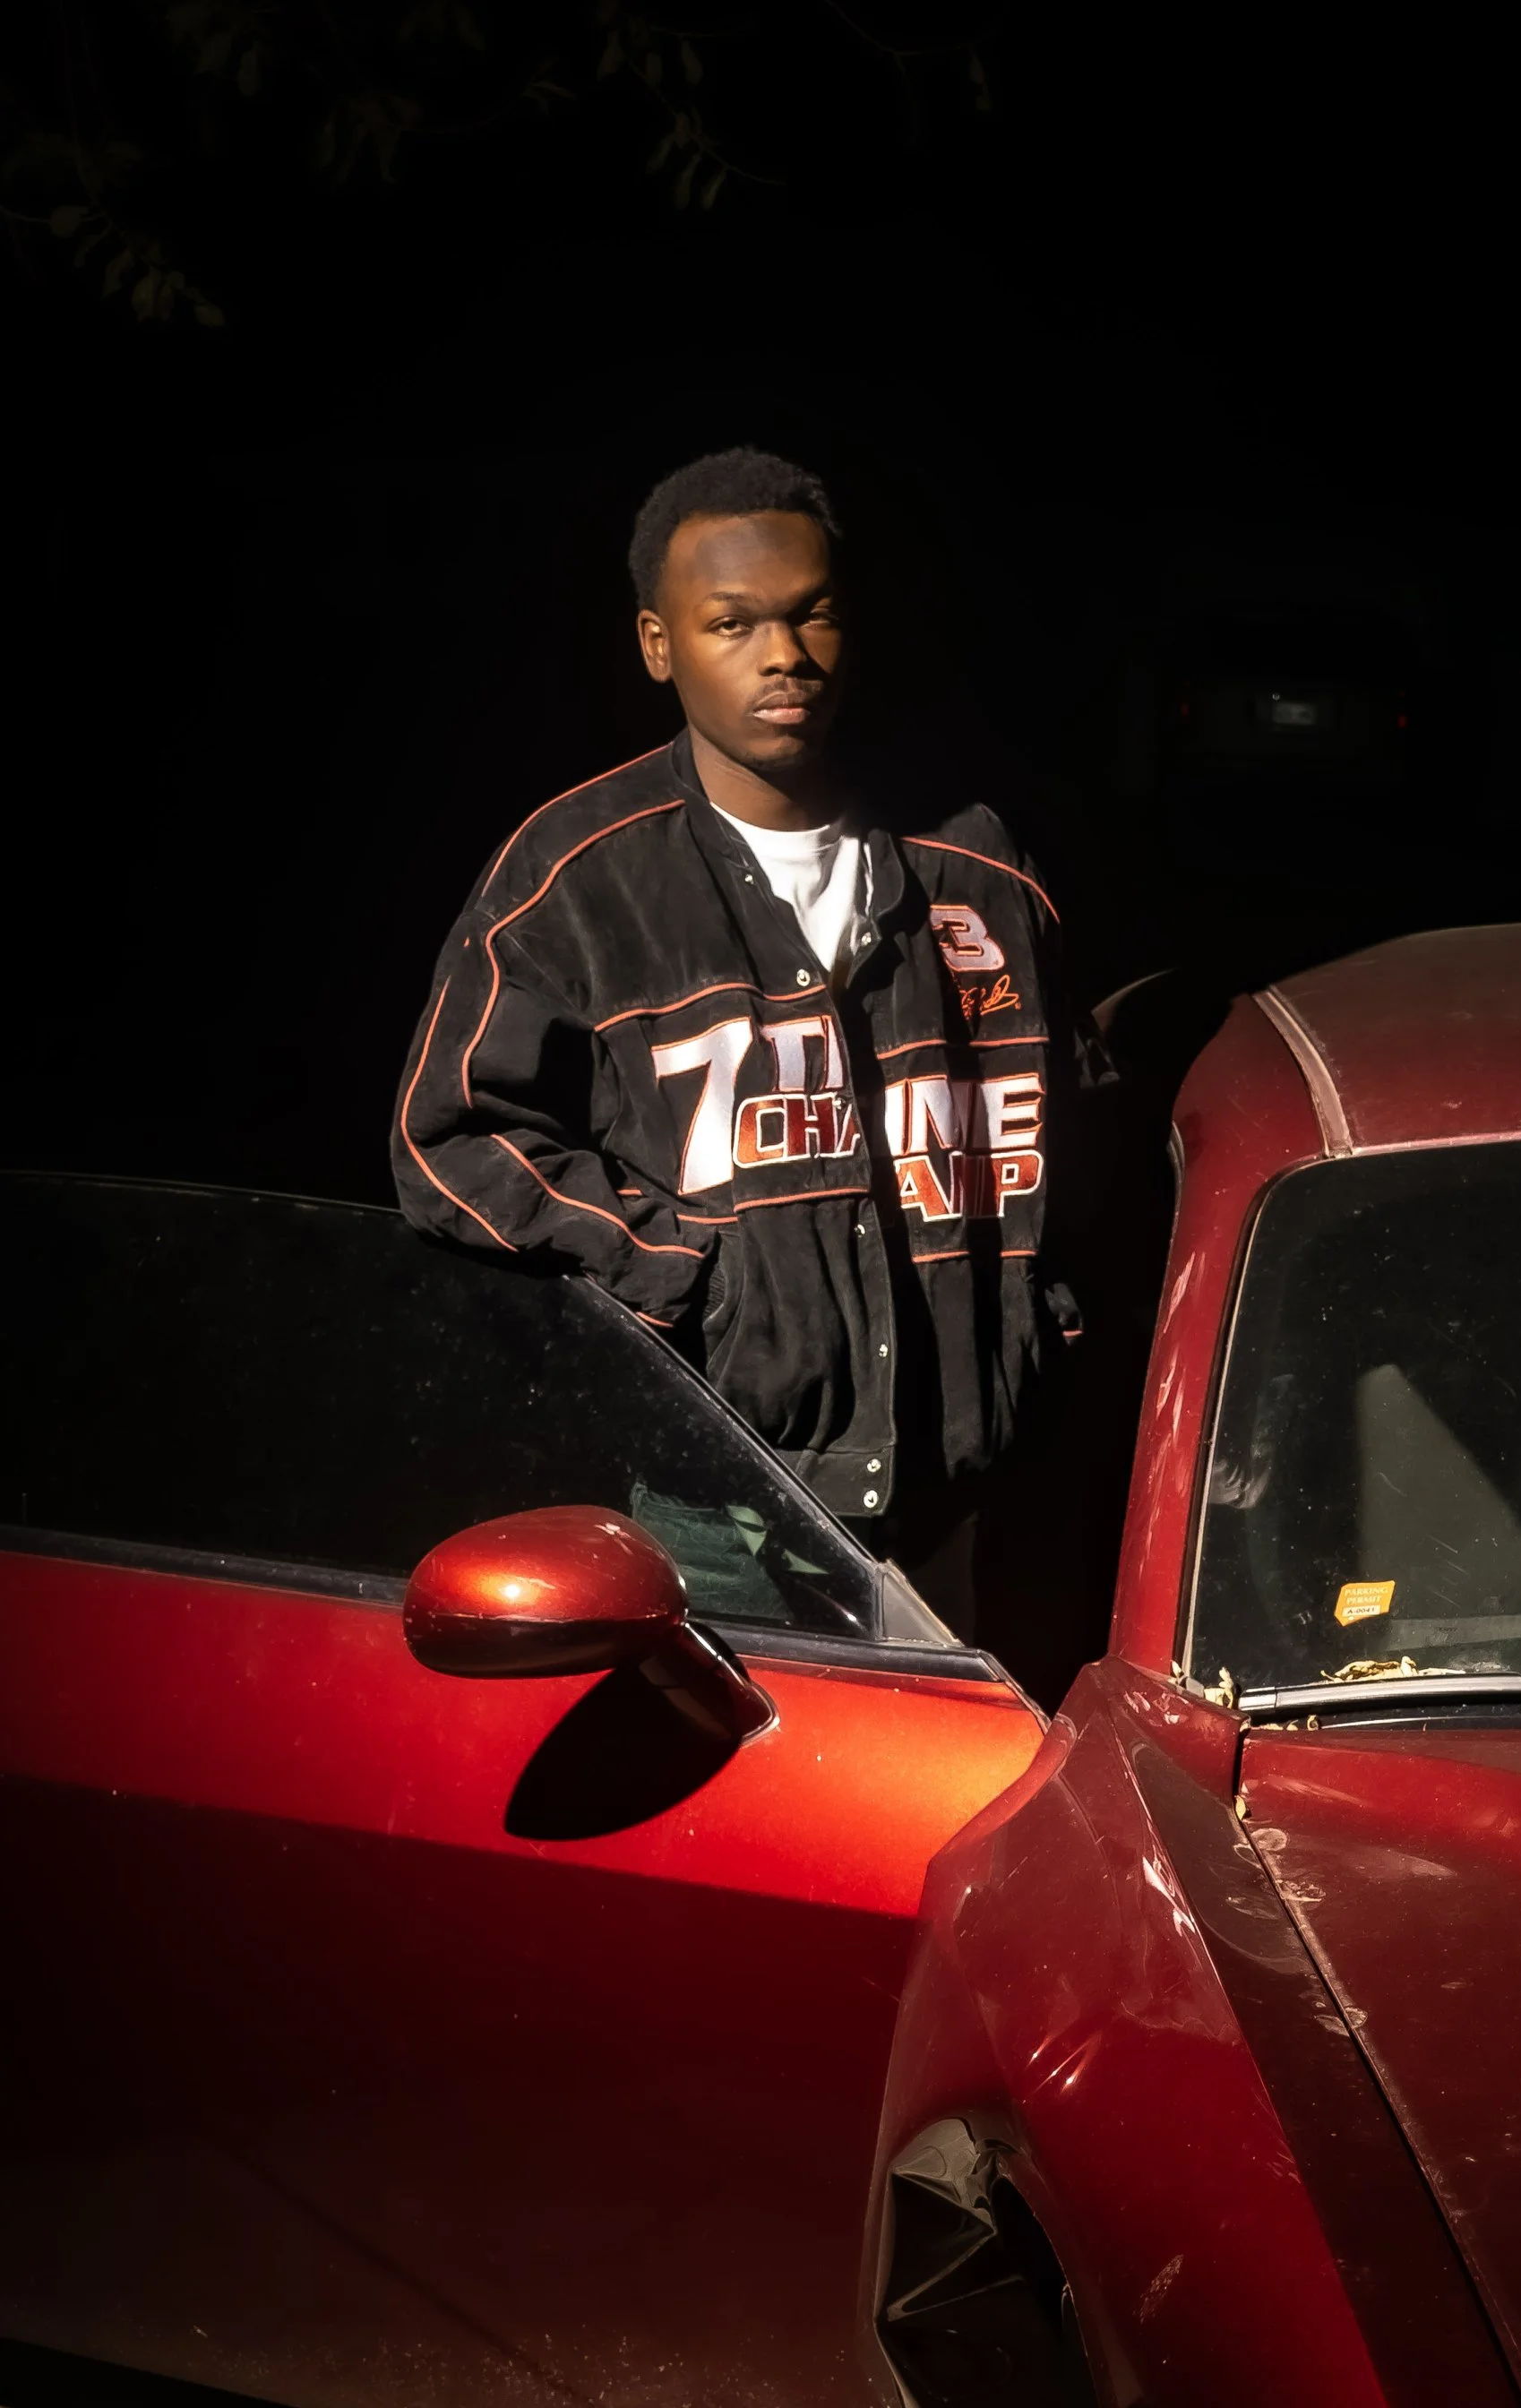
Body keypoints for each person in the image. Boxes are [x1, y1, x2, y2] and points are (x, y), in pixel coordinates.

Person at [392, 443, 1131, 1683]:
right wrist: (686, 1271)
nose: (781, 655)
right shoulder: (578, 881)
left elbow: (1083, 1115)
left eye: (811, 614)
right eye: (731, 623)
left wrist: (1039, 1310)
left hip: (982, 1493)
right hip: (726, 1499)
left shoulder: (971, 858)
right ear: (659, 641)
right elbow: (450, 1136)